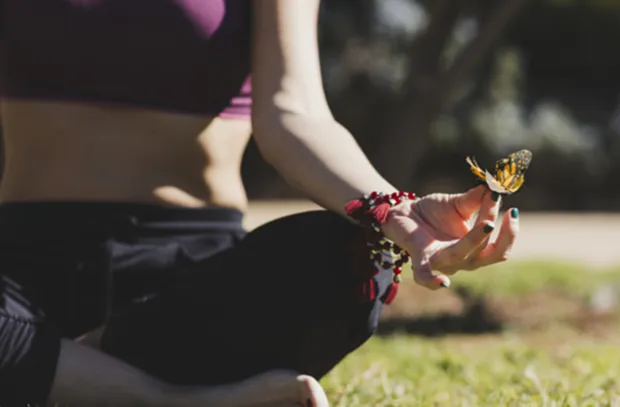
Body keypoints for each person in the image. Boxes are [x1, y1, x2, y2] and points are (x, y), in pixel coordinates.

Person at [0, 0, 520, 406]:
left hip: (186, 288)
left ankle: (56, 370)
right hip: (24, 266)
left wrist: (392, 211)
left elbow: (295, 113)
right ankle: (169, 399)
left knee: (351, 258)